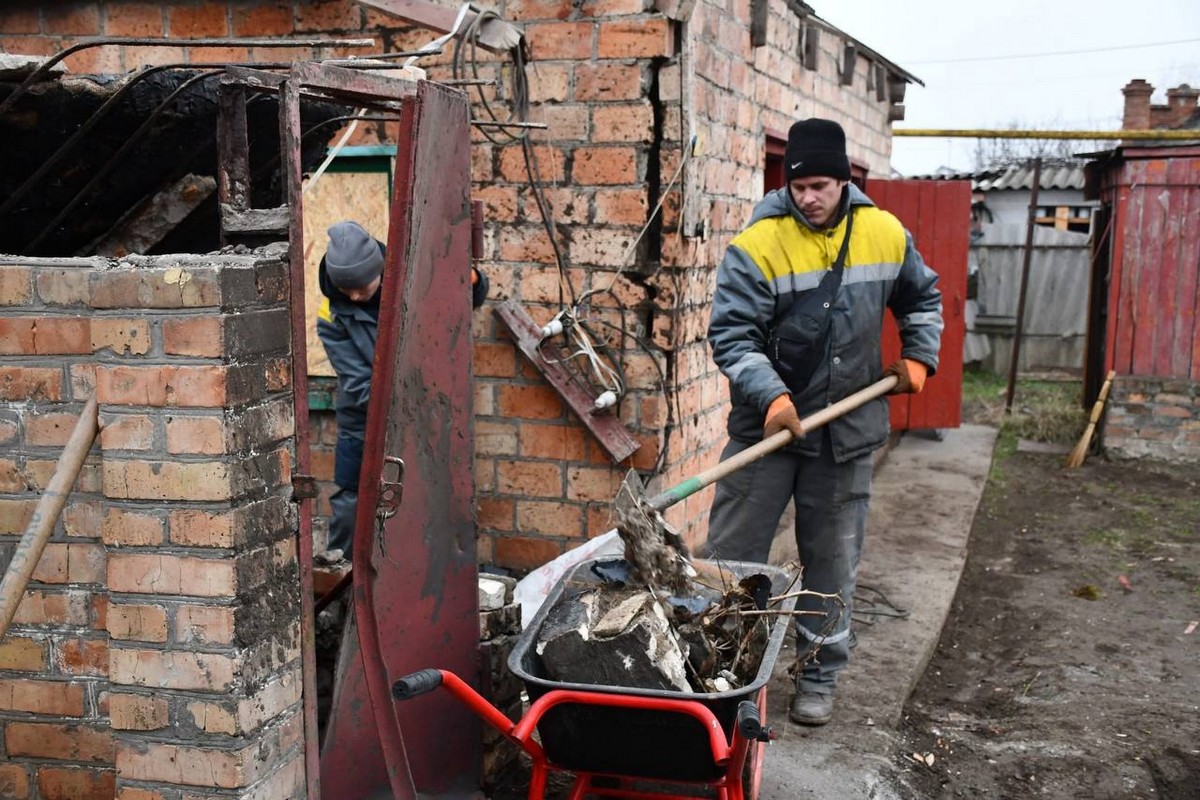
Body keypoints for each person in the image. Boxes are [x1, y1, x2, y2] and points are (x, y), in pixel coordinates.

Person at [704, 119, 943, 726]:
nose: (810, 197)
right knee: (734, 560)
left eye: (822, 185)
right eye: (800, 186)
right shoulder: (758, 244)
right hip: (767, 430)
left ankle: (819, 671)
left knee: (833, 559)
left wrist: (919, 352)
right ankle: (721, 670)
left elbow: (922, 297)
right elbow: (732, 336)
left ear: (844, 180)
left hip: (847, 429)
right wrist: (772, 397)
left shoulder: (884, 234)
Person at [317, 220, 488, 561]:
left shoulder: (409, 276)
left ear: (380, 269)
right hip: (363, 418)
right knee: (353, 501)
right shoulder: (330, 314)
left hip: (426, 412)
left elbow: (469, 295)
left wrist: (468, 278)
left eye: (362, 287)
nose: (353, 295)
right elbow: (358, 382)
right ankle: (343, 582)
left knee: (426, 499)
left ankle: (418, 579)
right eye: (346, 289)